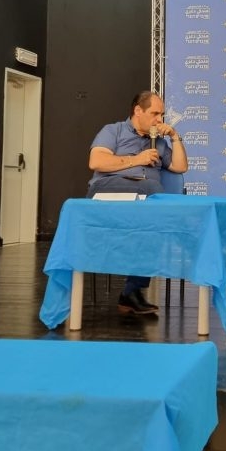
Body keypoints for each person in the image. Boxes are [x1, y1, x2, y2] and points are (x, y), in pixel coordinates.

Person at [87, 91, 188, 316]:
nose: (159, 120)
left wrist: (174, 136)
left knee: (153, 226)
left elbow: (180, 167)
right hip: (108, 193)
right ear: (138, 111)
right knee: (155, 192)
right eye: (155, 114)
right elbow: (96, 161)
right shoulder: (113, 131)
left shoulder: (159, 143)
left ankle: (131, 292)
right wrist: (137, 160)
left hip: (142, 202)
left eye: (162, 115)